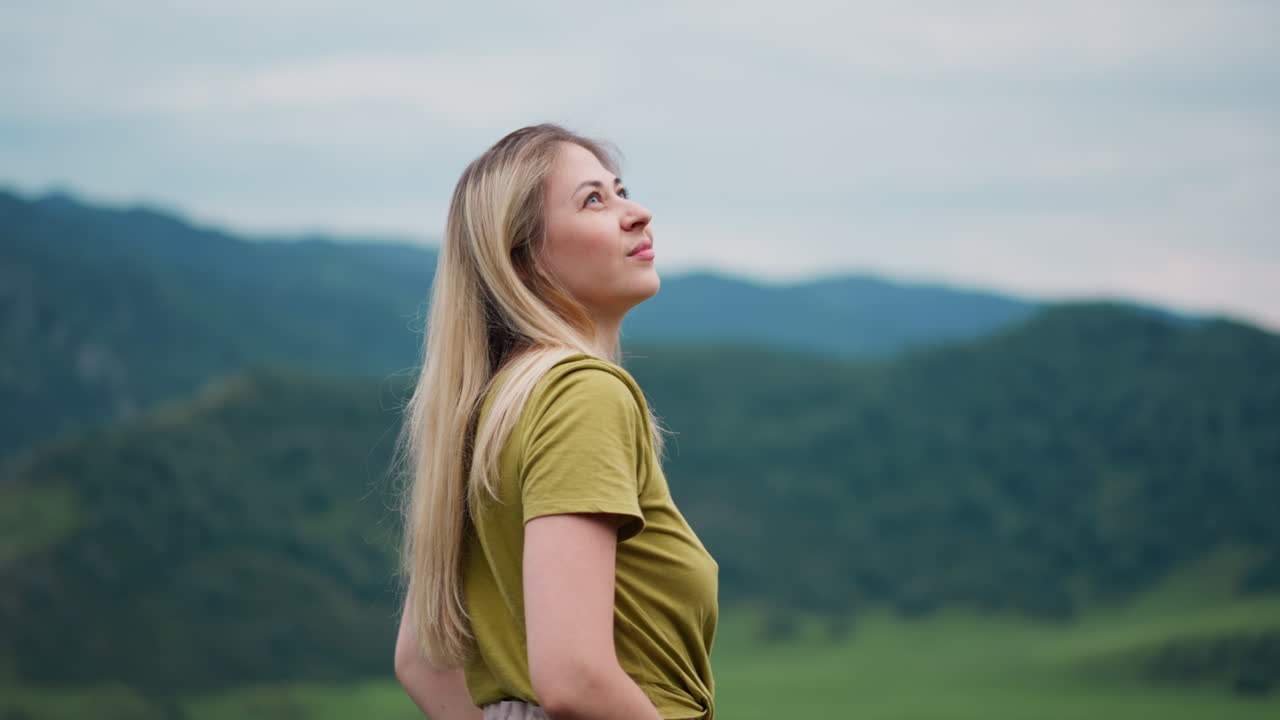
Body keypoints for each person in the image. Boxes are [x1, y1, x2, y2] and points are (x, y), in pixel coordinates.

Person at [393, 124, 719, 720]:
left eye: (621, 191)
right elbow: (573, 678)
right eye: (594, 200)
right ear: (522, 260)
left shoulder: (487, 410)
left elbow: (422, 663)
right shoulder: (579, 394)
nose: (637, 213)